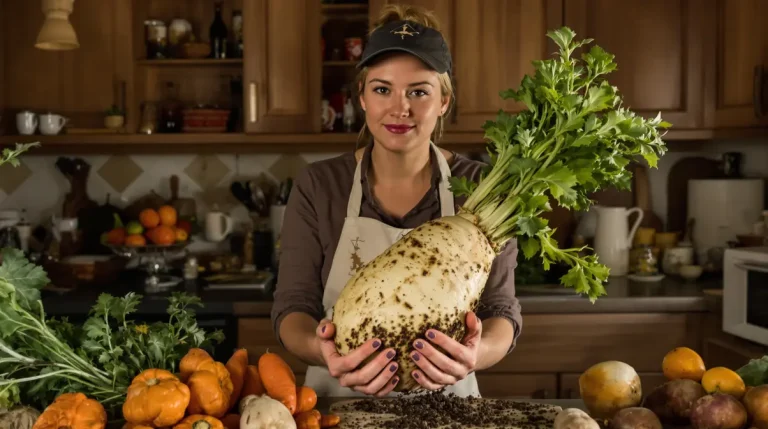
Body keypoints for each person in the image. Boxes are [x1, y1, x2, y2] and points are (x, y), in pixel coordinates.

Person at [270, 4, 521, 398]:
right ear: (363, 98)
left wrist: (475, 354)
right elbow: (292, 308)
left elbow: (500, 313)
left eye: (419, 92)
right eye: (382, 89)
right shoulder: (320, 185)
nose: (399, 108)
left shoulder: (479, 186)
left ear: (443, 103)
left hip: (448, 408)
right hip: (341, 405)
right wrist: (323, 350)